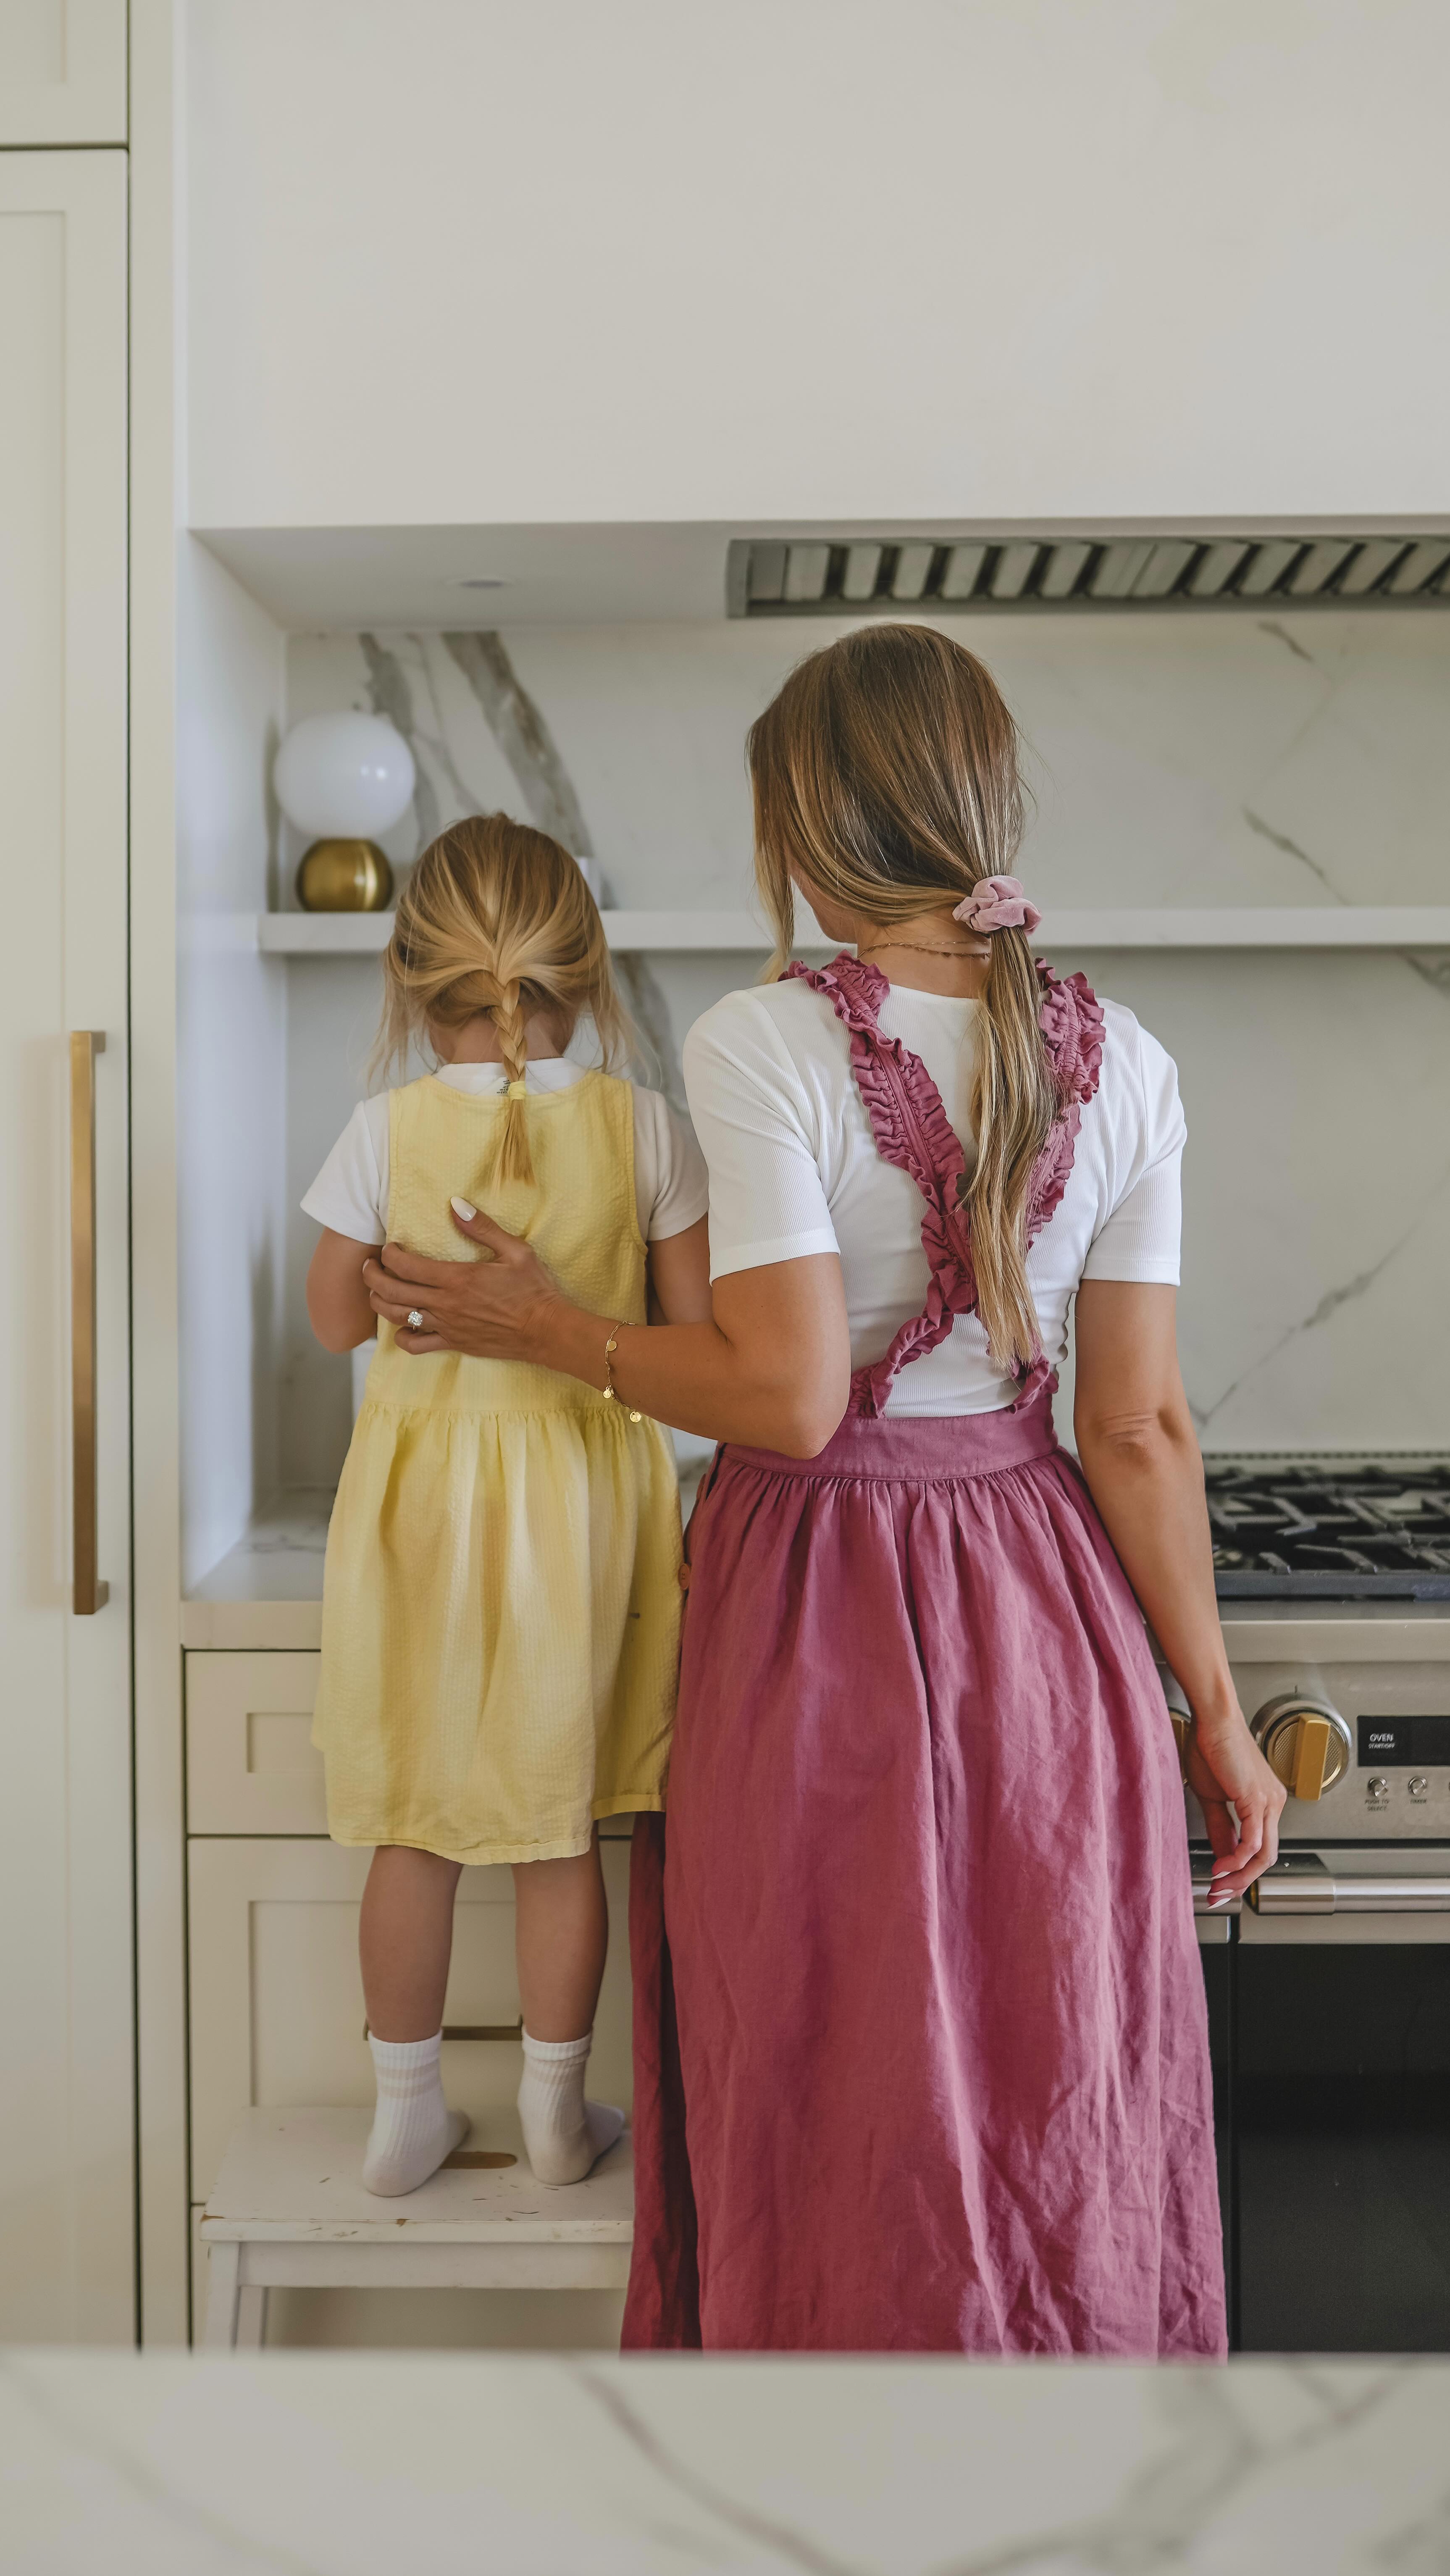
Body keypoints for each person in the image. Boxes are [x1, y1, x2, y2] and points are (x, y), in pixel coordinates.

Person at [361, 626, 1284, 2350]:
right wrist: (1212, 1713)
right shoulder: (1126, 1058)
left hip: (823, 1605)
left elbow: (784, 1401)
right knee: (1051, 2078)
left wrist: (542, 1323)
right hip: (1047, 1613)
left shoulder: (762, 1042)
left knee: (824, 2073)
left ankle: (823, 2489)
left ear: (799, 823)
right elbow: (1137, 1429)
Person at [301, 814, 711, 2196]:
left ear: (412, 987)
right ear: (583, 975)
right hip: (584, 1506)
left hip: (421, 1505)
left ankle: (402, 2111)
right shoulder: (645, 1124)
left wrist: (399, 1290)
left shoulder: (384, 1128)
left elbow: (321, 1319)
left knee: (412, 1816)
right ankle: (551, 2111)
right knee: (556, 1822)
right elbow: (697, 1333)